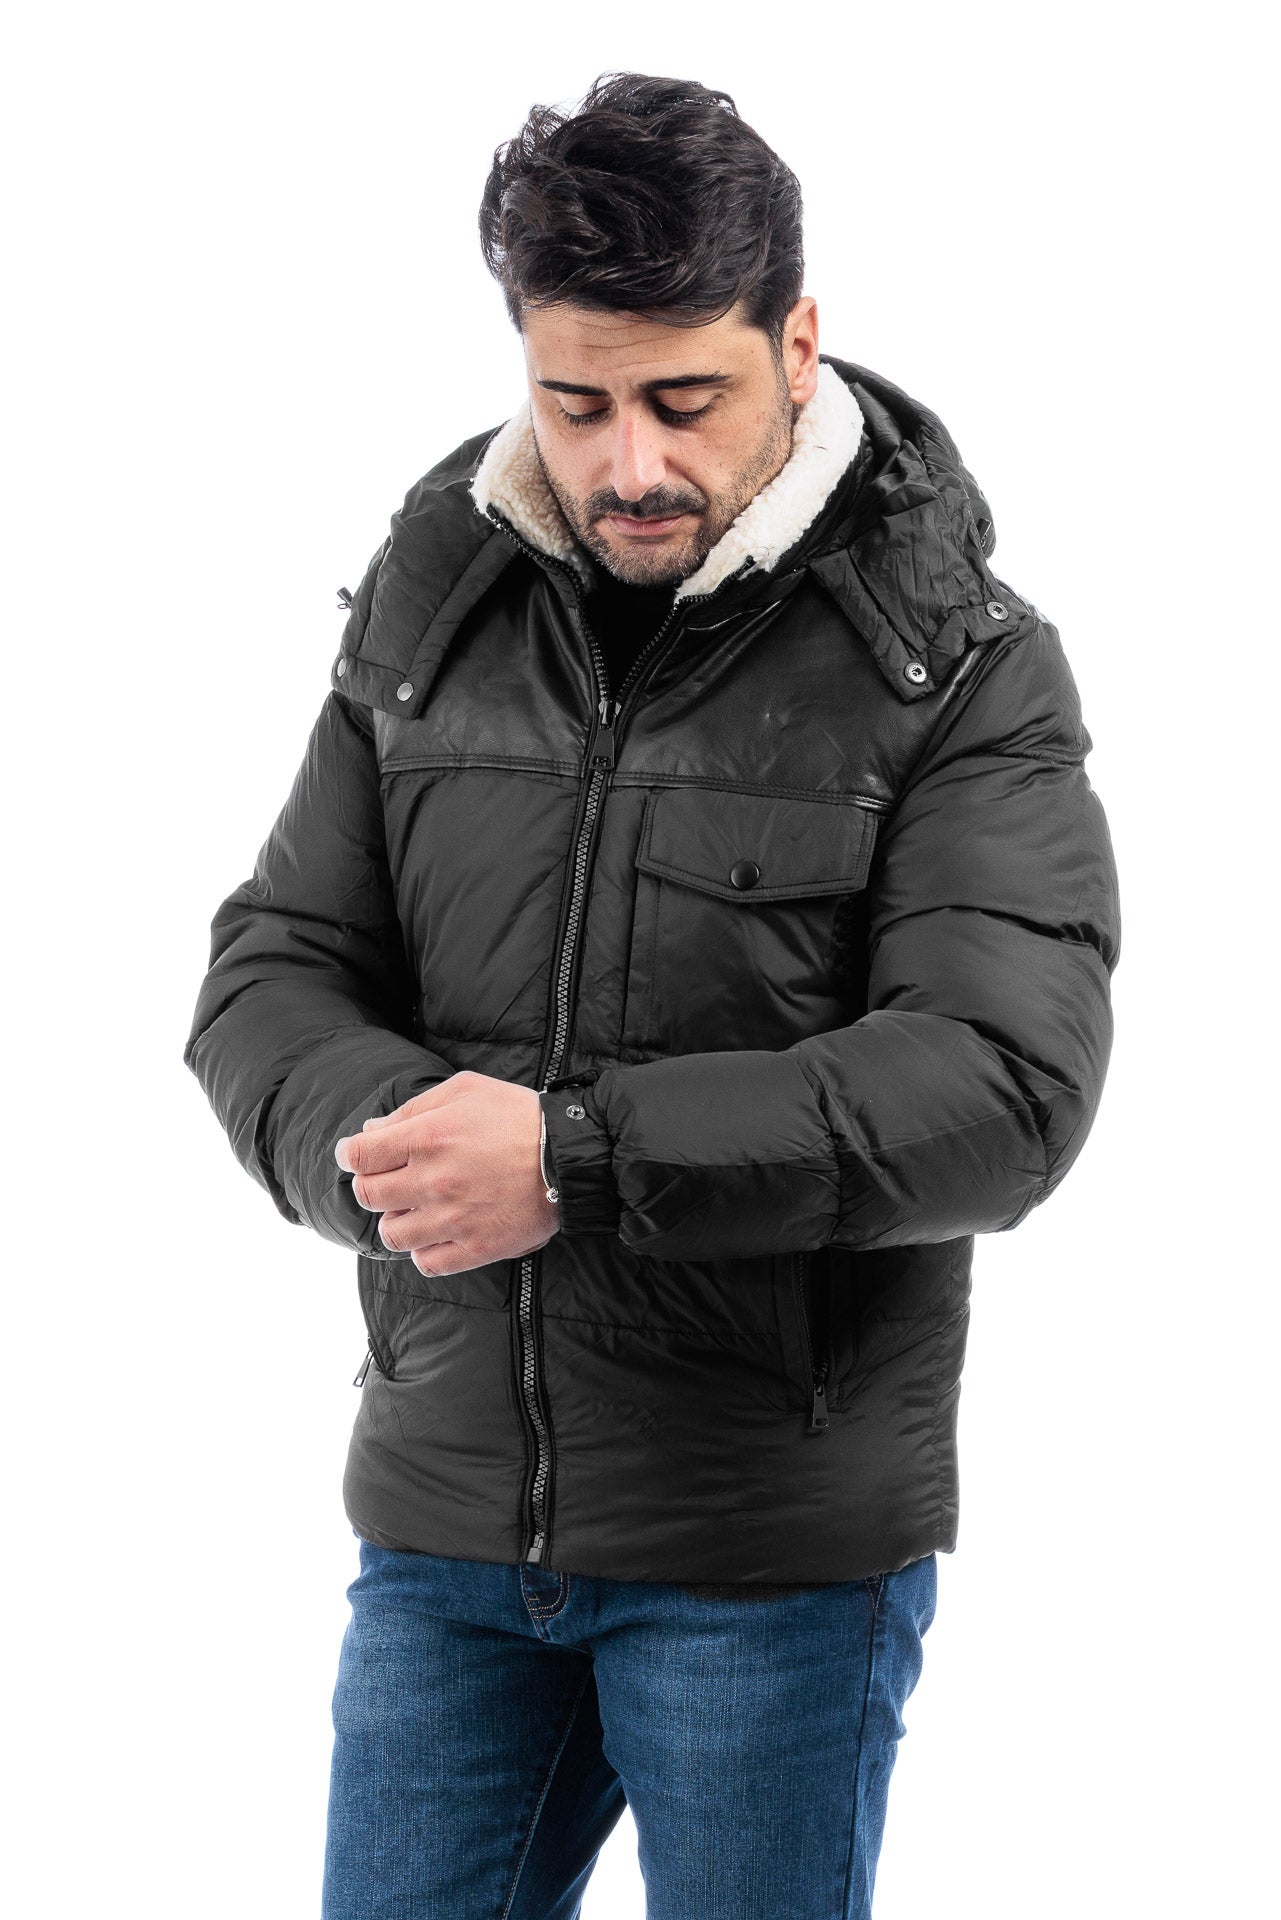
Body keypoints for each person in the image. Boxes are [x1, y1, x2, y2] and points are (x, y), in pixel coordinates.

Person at [184, 70, 1121, 1920]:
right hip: (446, 1529)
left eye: (686, 402)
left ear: (796, 343)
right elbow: (272, 967)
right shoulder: (436, 601)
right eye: (576, 401)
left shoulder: (959, 666)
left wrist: (575, 1157)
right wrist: (392, 1152)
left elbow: (1004, 1086)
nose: (629, 465)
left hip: (766, 1563)